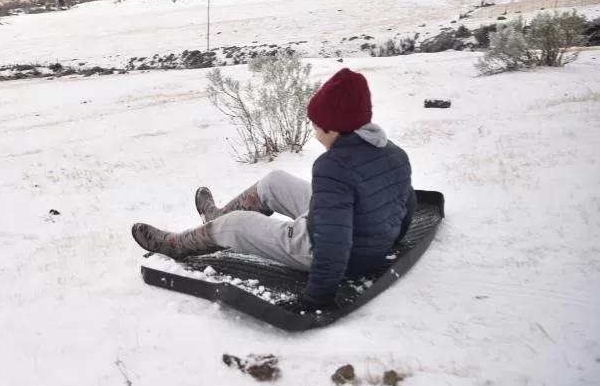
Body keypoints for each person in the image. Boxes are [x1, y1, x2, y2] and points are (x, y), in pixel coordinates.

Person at [131, 67, 415, 311]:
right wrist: (389, 240)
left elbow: (334, 241)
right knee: (274, 182)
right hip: (356, 234)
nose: (315, 135)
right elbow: (406, 206)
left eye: (317, 128)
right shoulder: (394, 154)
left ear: (335, 129)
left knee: (236, 225)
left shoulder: (333, 167)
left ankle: (176, 246)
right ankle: (214, 218)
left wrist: (316, 298)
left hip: (325, 251)